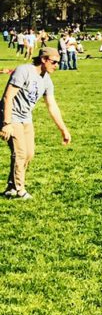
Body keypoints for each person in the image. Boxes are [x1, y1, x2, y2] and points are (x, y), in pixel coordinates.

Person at [1, 47, 72, 200]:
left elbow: (52, 106)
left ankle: (11, 187)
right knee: (20, 154)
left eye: (58, 63)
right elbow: (8, 97)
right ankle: (20, 190)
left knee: (29, 154)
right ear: (43, 59)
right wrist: (6, 123)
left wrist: (63, 130)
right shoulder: (24, 71)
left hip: (26, 118)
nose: (56, 66)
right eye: (54, 62)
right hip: (12, 116)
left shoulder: (46, 80)